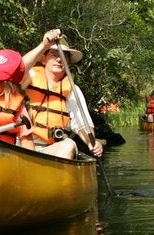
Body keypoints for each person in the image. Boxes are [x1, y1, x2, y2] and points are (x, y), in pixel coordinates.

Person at [22, 29, 104, 160]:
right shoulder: (29, 75)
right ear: (43, 59)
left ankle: (56, 178)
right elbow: (17, 69)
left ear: (69, 62)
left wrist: (91, 142)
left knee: (68, 145)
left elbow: (82, 124)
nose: (59, 59)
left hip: (50, 149)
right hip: (20, 145)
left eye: (64, 56)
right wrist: (44, 45)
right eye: (54, 55)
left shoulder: (73, 90)